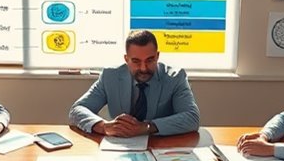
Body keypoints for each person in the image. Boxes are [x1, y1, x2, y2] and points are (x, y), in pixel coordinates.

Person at [69, 30, 200, 136]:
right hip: (120, 148)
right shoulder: (110, 76)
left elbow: (192, 118)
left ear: (157, 56)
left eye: (150, 60)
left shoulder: (175, 77)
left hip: (161, 147)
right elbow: (77, 110)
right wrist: (103, 127)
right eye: (136, 61)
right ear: (126, 59)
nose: (143, 68)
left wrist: (147, 127)